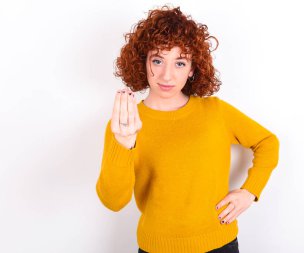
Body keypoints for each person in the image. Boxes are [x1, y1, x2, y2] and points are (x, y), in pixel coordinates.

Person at [95, 5, 280, 253]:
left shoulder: (215, 111)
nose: (167, 75)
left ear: (193, 68)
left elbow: (268, 142)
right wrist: (124, 143)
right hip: (156, 248)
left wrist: (250, 192)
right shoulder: (125, 122)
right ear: (143, 61)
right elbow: (113, 201)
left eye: (180, 63)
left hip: (220, 244)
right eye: (158, 60)